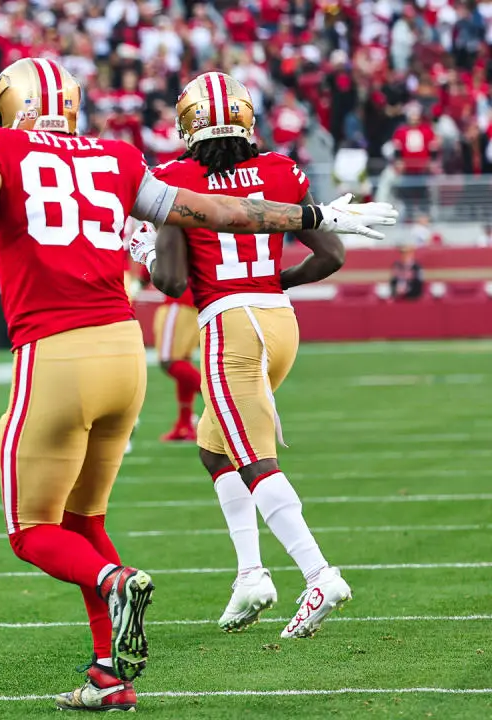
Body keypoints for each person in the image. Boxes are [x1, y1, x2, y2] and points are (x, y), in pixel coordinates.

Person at [0, 58, 395, 709]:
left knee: (30, 530)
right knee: (83, 517)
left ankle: (117, 580)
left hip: (57, 351)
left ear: (8, 110)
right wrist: (314, 214)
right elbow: (217, 210)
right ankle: (110, 676)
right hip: (123, 355)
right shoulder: (116, 156)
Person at [145, 72, 360, 641]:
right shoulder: (281, 169)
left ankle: (319, 574)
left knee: (254, 459)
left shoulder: (173, 178)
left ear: (187, 124)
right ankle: (250, 576)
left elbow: (171, 282)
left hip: (230, 325)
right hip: (279, 321)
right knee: (214, 449)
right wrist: (276, 281)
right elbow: (331, 255)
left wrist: (145, 250)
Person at [149, 272, 200, 442]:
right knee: (181, 362)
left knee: (169, 361)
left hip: (179, 299)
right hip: (193, 301)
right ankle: (185, 425)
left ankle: (220, 398)